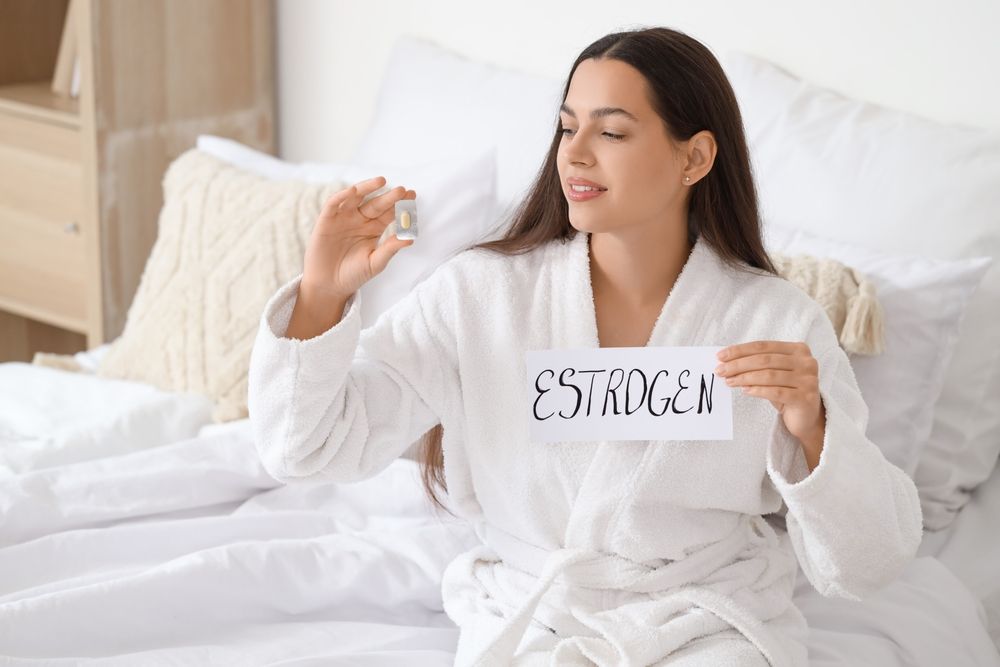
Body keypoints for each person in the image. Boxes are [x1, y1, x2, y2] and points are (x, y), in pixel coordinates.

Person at [247, 27, 923, 666]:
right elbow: (305, 447)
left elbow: (867, 563)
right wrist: (319, 298)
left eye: (612, 131)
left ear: (695, 156)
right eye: (568, 126)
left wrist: (814, 431)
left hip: (703, 625)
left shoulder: (773, 321)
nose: (574, 151)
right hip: (534, 619)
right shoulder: (480, 296)